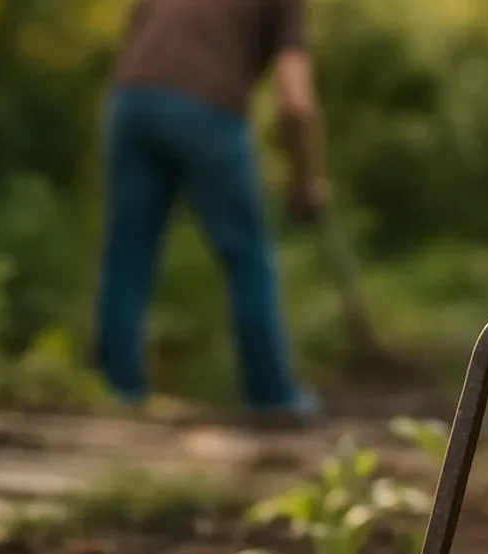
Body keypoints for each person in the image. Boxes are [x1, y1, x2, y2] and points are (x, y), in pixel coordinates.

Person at [94, 0, 327, 426]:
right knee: (247, 256)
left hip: (131, 100)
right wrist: (306, 180)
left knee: (127, 251)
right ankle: (270, 394)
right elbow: (295, 101)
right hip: (206, 108)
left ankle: (118, 389)